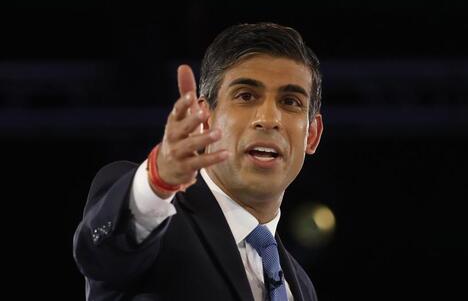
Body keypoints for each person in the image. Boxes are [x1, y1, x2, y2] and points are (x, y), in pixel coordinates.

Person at [73, 22, 324, 301]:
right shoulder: (158, 221)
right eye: (246, 96)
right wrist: (157, 181)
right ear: (205, 119)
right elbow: (102, 255)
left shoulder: (301, 286)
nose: (268, 119)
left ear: (311, 135)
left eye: (290, 101)